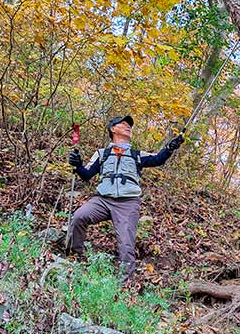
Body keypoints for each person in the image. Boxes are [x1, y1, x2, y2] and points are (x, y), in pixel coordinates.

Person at [67, 115, 184, 281]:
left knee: (126, 243)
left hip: (128, 203)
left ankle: (124, 282)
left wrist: (170, 148)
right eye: (123, 124)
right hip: (102, 199)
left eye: (129, 125)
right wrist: (78, 164)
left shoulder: (137, 155)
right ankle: (77, 257)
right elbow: (86, 174)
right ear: (112, 129)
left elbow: (158, 159)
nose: (128, 126)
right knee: (79, 216)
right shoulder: (102, 154)